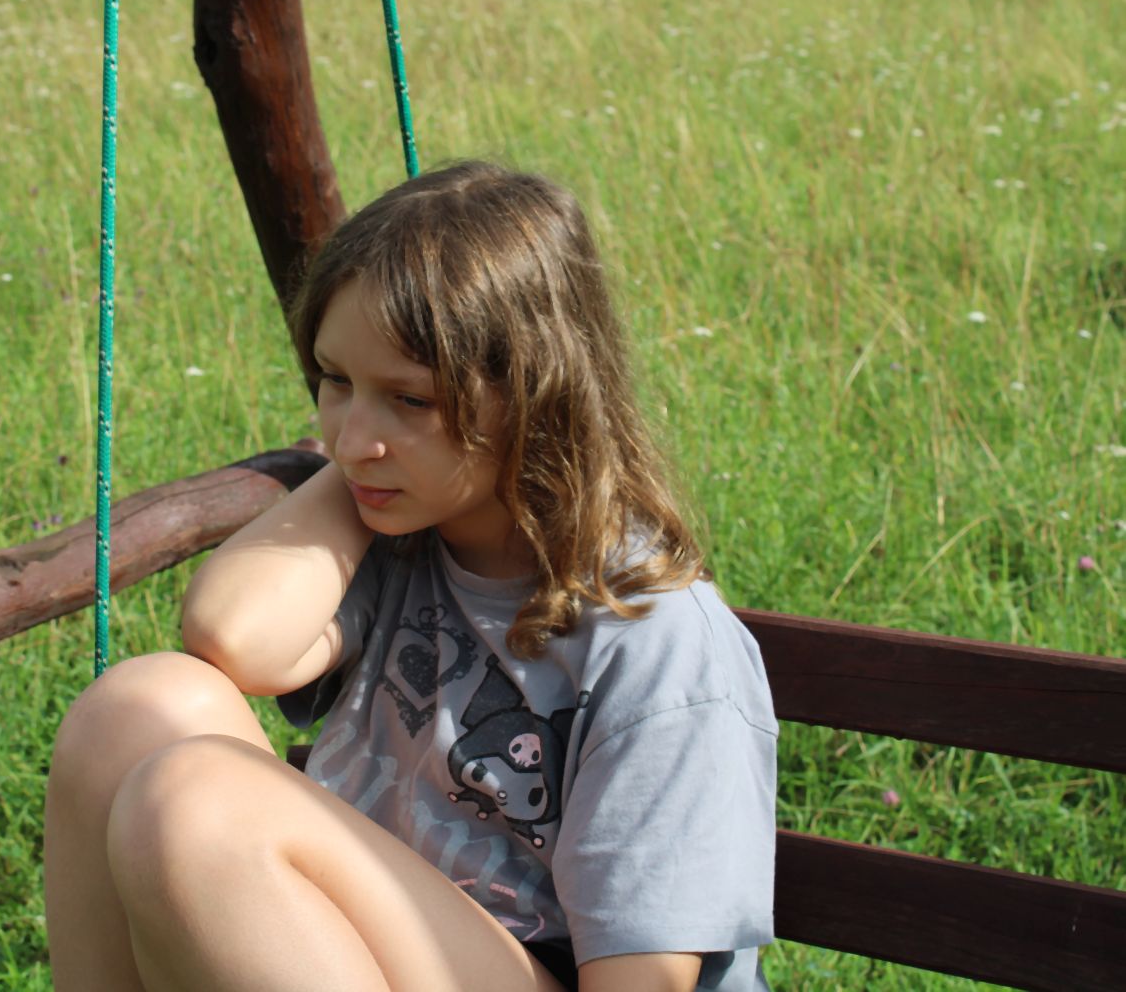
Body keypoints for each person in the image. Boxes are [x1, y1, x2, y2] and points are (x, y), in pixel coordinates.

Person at [43, 160, 778, 992]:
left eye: (411, 400)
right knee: (134, 710)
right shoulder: (403, 538)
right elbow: (233, 638)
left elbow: (643, 983)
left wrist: (380, 449)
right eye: (336, 380)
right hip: (377, 950)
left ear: (538, 396)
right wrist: (370, 467)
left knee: (198, 804)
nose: (353, 439)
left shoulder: (657, 642)